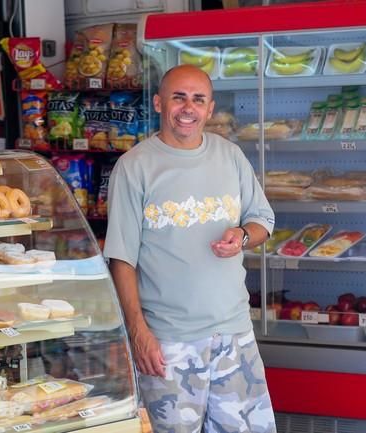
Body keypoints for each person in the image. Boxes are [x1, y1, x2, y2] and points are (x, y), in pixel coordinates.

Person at [104, 64, 276, 433]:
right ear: (158, 103)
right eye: (178, 97)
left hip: (234, 333)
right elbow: (121, 259)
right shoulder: (134, 168)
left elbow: (263, 220)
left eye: (198, 99)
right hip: (169, 341)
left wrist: (243, 235)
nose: (188, 108)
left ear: (210, 108)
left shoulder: (229, 156)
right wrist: (139, 332)